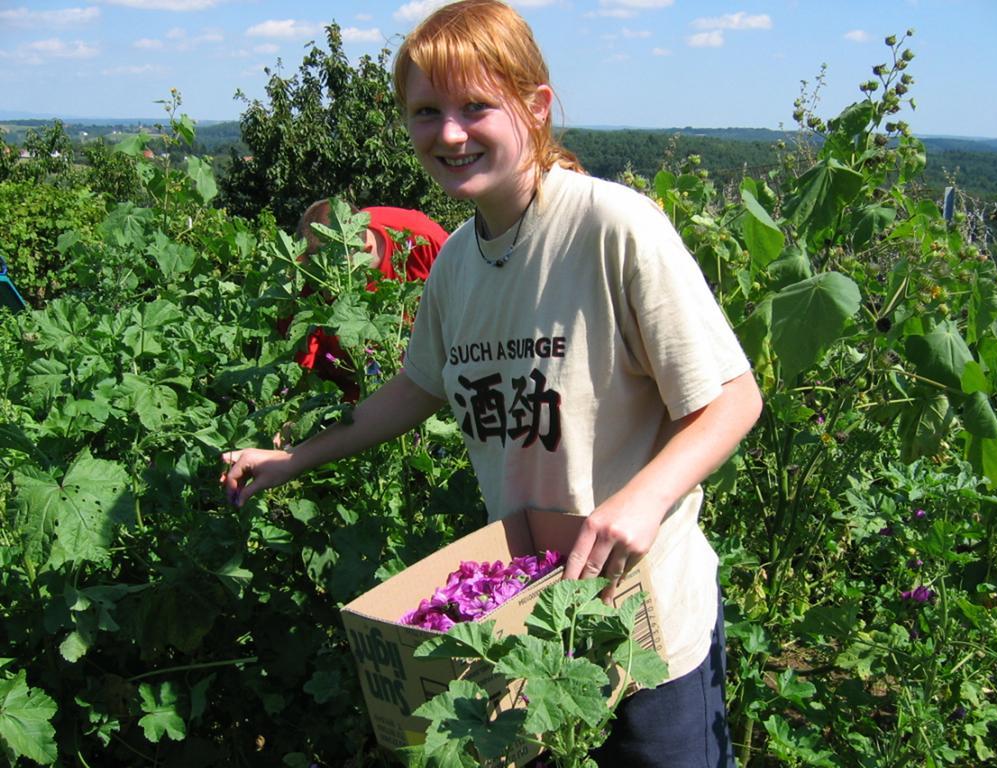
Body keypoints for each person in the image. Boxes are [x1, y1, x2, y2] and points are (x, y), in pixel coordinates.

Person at [222, 1, 762, 765]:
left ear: (535, 107)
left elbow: (733, 399)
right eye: (426, 112)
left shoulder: (614, 229)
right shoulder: (456, 265)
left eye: (476, 105)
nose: (449, 133)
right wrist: (290, 459)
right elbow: (416, 389)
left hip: (646, 621)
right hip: (533, 628)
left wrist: (640, 500)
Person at [282, 198, 448, 398]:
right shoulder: (310, 272)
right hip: (351, 396)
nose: (327, 290)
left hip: (432, 382)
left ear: (366, 250)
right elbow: (301, 360)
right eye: (318, 276)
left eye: (335, 276)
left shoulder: (427, 243)